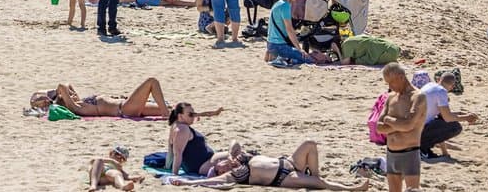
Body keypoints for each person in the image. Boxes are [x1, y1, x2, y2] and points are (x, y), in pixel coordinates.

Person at [168, 140, 369, 190]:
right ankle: (351, 188)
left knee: (310, 144)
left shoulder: (237, 158)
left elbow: (235, 142)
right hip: (283, 178)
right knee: (321, 184)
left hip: (288, 162)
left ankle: (315, 174)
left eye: (220, 164)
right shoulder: (232, 175)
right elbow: (210, 183)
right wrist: (185, 183)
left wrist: (230, 154)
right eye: (218, 168)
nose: (221, 165)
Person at [376, 63, 428, 192]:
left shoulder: (418, 97)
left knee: (412, 190)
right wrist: (399, 124)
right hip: (391, 153)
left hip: (409, 153)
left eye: (391, 82)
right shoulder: (391, 97)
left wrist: (389, 120)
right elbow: (379, 127)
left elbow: (409, 125)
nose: (390, 86)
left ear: (401, 77)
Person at [29, 79, 185, 119]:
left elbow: (67, 86)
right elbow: (62, 85)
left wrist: (53, 95)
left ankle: (168, 113)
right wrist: (52, 95)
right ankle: (165, 114)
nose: (73, 94)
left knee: (174, 110)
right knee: (152, 82)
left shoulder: (78, 102)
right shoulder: (76, 107)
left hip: (126, 107)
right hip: (123, 109)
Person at [418, 70, 478, 159]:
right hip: (418, 130)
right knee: (455, 127)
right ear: (452, 86)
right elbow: (448, 118)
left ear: (439, 79)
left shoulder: (430, 85)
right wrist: (467, 118)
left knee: (442, 123)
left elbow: (442, 116)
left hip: (413, 127)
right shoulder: (441, 91)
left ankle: (425, 148)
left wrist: (462, 114)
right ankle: (421, 148)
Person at [168, 102, 231, 176]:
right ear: (180, 116)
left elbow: (171, 149)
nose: (193, 116)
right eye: (190, 115)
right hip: (203, 165)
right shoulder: (182, 129)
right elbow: (177, 153)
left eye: (194, 113)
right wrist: (174, 174)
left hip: (204, 162)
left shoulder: (176, 125)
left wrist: (216, 112)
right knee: (236, 154)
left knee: (237, 156)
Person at [266, 0, 315, 65]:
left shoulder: (277, 4)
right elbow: (289, 29)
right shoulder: (285, 6)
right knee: (308, 60)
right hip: (279, 45)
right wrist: (299, 49)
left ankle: (283, 58)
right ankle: (286, 59)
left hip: (271, 44)